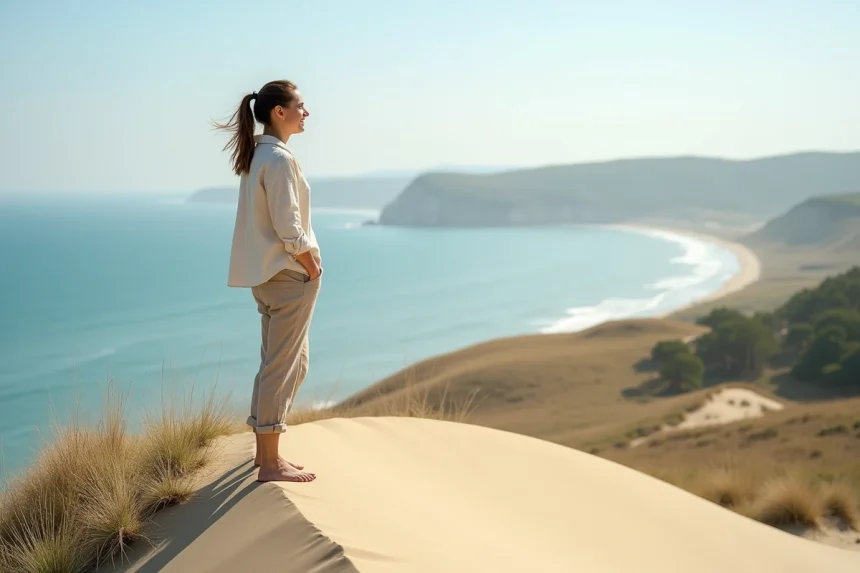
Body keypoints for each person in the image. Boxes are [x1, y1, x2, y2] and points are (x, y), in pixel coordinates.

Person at [215, 80, 321, 483]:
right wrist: (310, 265)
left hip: (269, 275)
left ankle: (266, 454)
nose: (306, 112)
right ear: (280, 111)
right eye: (301, 105)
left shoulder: (260, 155)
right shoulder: (278, 160)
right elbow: (288, 225)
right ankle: (271, 462)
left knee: (289, 363)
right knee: (282, 366)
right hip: (289, 275)